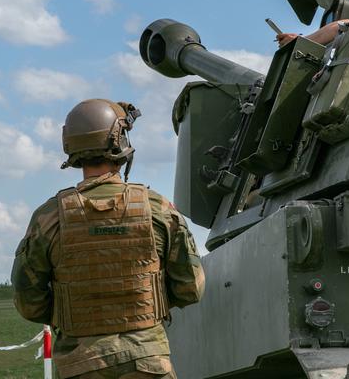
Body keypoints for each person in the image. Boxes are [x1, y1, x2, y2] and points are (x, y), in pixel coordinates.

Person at [12, 99, 205, 379]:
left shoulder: (48, 218)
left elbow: (29, 303)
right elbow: (190, 288)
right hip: (147, 362)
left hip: (78, 365)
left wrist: (76, 313)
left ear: (71, 146)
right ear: (120, 140)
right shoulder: (158, 210)